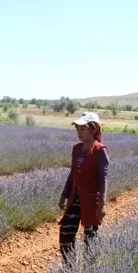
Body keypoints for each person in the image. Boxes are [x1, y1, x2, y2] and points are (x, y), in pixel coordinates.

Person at [58, 111, 110, 262]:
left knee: (90, 236)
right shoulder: (76, 149)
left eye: (82, 129)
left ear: (93, 129)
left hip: (91, 200)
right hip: (75, 197)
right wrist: (63, 195)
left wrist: (102, 204)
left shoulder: (100, 151)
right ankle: (70, 269)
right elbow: (72, 174)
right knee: (66, 232)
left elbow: (103, 180)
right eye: (77, 129)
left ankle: (90, 272)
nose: (79, 133)